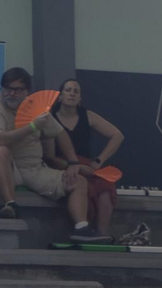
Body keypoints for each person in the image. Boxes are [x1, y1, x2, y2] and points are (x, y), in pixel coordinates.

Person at [0, 67, 96, 237]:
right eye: (8, 89)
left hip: (34, 169)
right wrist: (32, 126)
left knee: (78, 181)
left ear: (26, 91)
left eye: (17, 90)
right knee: (1, 151)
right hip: (3, 169)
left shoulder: (36, 107)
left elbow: (60, 133)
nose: (11, 94)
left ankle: (82, 227)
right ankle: (10, 204)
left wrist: (73, 163)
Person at [43, 78, 128, 242]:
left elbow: (118, 136)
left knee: (106, 185)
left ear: (80, 98)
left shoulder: (87, 115)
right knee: (79, 183)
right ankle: (84, 228)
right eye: (68, 90)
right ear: (59, 97)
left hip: (86, 164)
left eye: (76, 91)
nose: (72, 94)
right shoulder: (50, 118)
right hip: (61, 164)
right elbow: (50, 157)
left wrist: (98, 161)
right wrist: (75, 166)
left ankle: (102, 233)